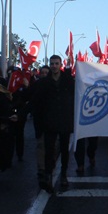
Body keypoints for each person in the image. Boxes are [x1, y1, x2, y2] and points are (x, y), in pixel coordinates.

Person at [32, 55, 75, 193]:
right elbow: (35, 101)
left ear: (60, 64)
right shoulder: (44, 82)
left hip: (65, 121)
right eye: (52, 63)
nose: (54, 66)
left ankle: (63, 174)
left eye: (56, 63)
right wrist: (20, 114)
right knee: (49, 151)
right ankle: (48, 176)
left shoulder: (67, 80)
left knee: (64, 149)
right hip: (50, 122)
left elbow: (77, 94)